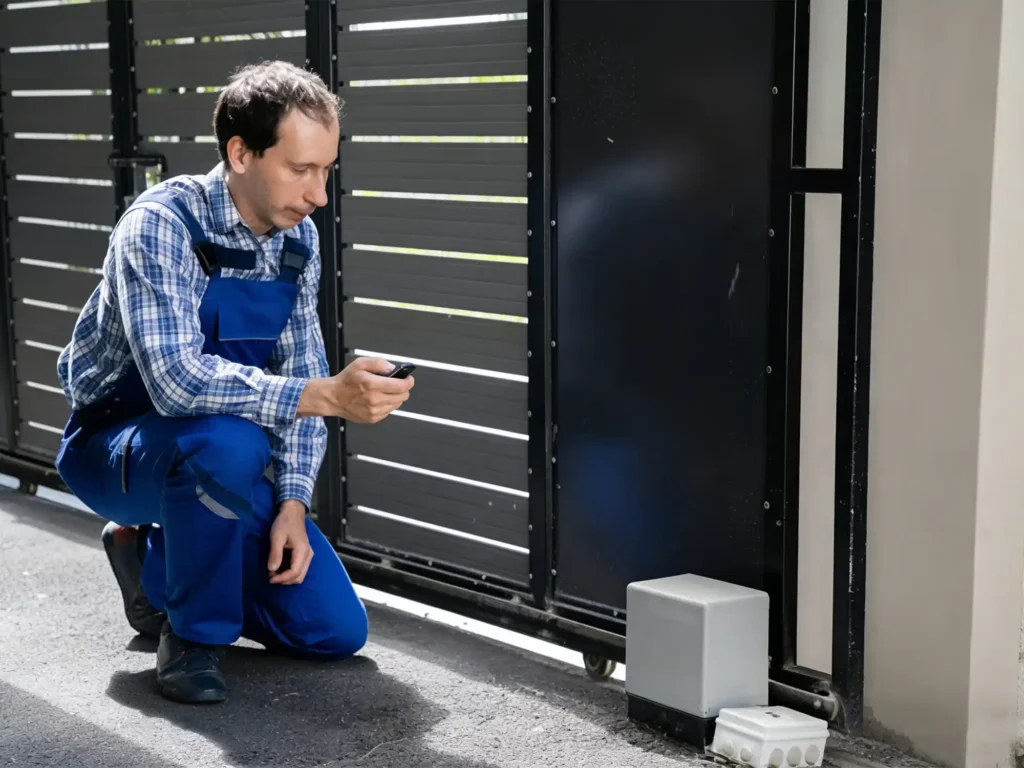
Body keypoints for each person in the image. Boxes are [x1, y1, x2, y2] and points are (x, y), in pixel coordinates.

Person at [54, 60, 415, 705]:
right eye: (301, 170)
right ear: (240, 152)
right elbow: (175, 381)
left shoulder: (296, 241)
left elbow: (302, 374)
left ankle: (151, 561)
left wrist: (294, 505)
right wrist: (327, 395)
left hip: (214, 464)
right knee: (228, 443)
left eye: (326, 170)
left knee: (334, 630)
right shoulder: (161, 225)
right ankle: (193, 637)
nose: (319, 194)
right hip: (115, 449)